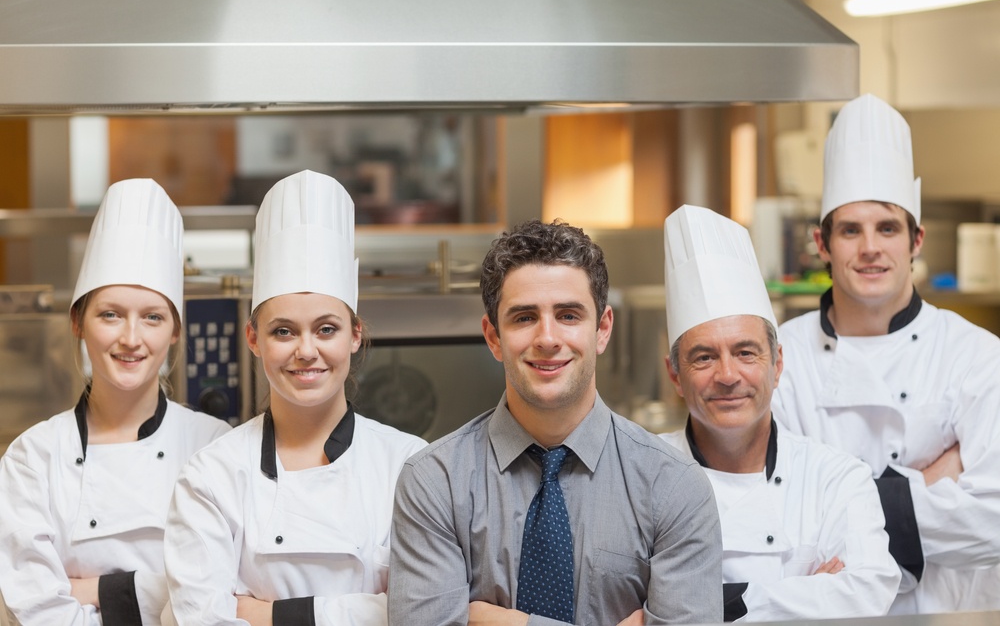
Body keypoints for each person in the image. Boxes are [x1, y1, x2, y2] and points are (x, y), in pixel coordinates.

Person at [389, 219, 723, 626]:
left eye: (567, 315)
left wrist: (503, 622)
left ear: (602, 329)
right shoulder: (434, 482)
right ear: (493, 337)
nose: (547, 338)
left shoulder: (673, 486)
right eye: (524, 317)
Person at [162, 170, 427, 626]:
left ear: (355, 335)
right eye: (283, 331)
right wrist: (365, 610)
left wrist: (265, 614)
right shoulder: (211, 477)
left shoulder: (411, 466)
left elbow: (424, 612)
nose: (306, 351)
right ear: (253, 338)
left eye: (326, 328)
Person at [772, 93, 1000, 614]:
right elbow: (775, 519)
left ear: (915, 240)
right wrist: (932, 481)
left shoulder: (978, 357)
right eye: (850, 230)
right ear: (822, 244)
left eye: (888, 228)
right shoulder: (779, 357)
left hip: (952, 617)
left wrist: (842, 510)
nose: (870, 247)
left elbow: (994, 521)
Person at [0, 178, 232, 625]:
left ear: (175, 330)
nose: (131, 338)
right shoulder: (32, 458)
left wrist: (89, 590)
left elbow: (229, 597)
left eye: (152, 317)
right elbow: (31, 610)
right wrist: (164, 589)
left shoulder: (215, 446)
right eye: (110, 314)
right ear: (78, 323)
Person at [658, 205, 900, 622]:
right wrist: (807, 592)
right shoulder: (643, 476)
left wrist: (715, 603)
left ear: (778, 363)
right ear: (675, 376)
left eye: (746, 352)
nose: (728, 375)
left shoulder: (837, 478)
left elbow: (870, 591)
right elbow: (612, 603)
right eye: (703, 358)